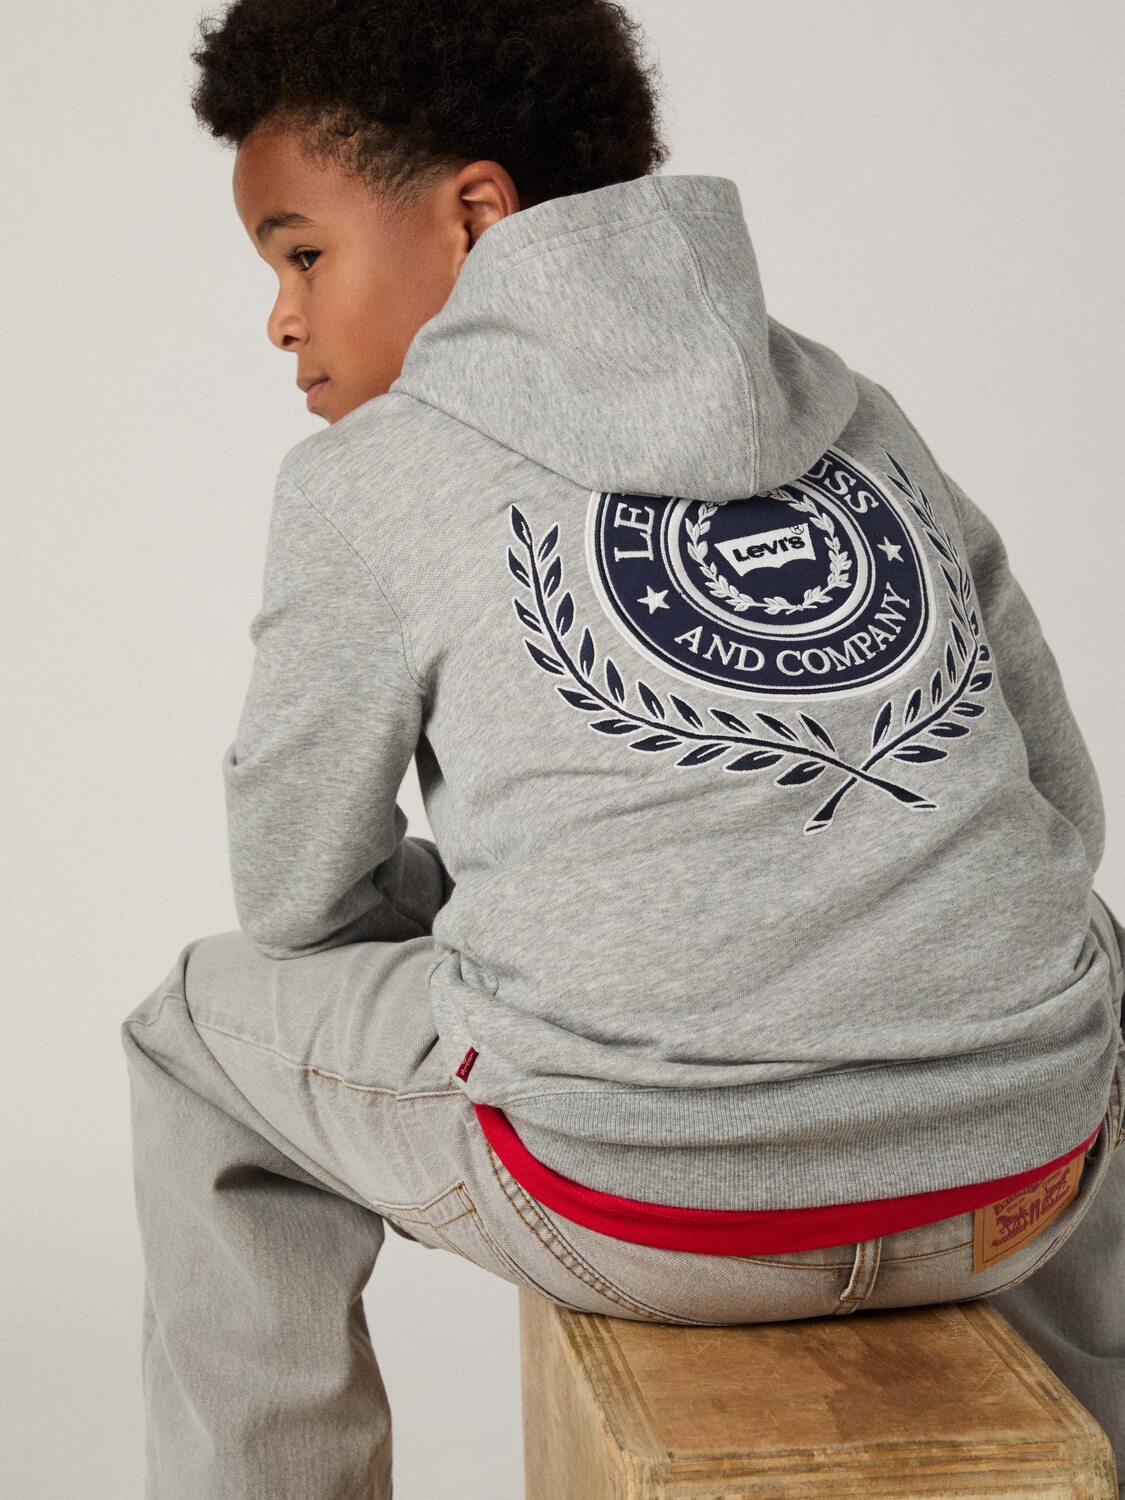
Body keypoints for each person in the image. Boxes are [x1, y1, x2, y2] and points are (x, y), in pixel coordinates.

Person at [121, 1, 1125, 1494]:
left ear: (474, 215)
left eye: (303, 253)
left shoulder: (367, 481)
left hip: (643, 1210)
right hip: (1019, 1199)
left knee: (193, 1031)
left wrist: (499, 916)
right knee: (1062, 957)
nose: (282, 315)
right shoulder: (861, 415)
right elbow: (1061, 804)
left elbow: (291, 896)